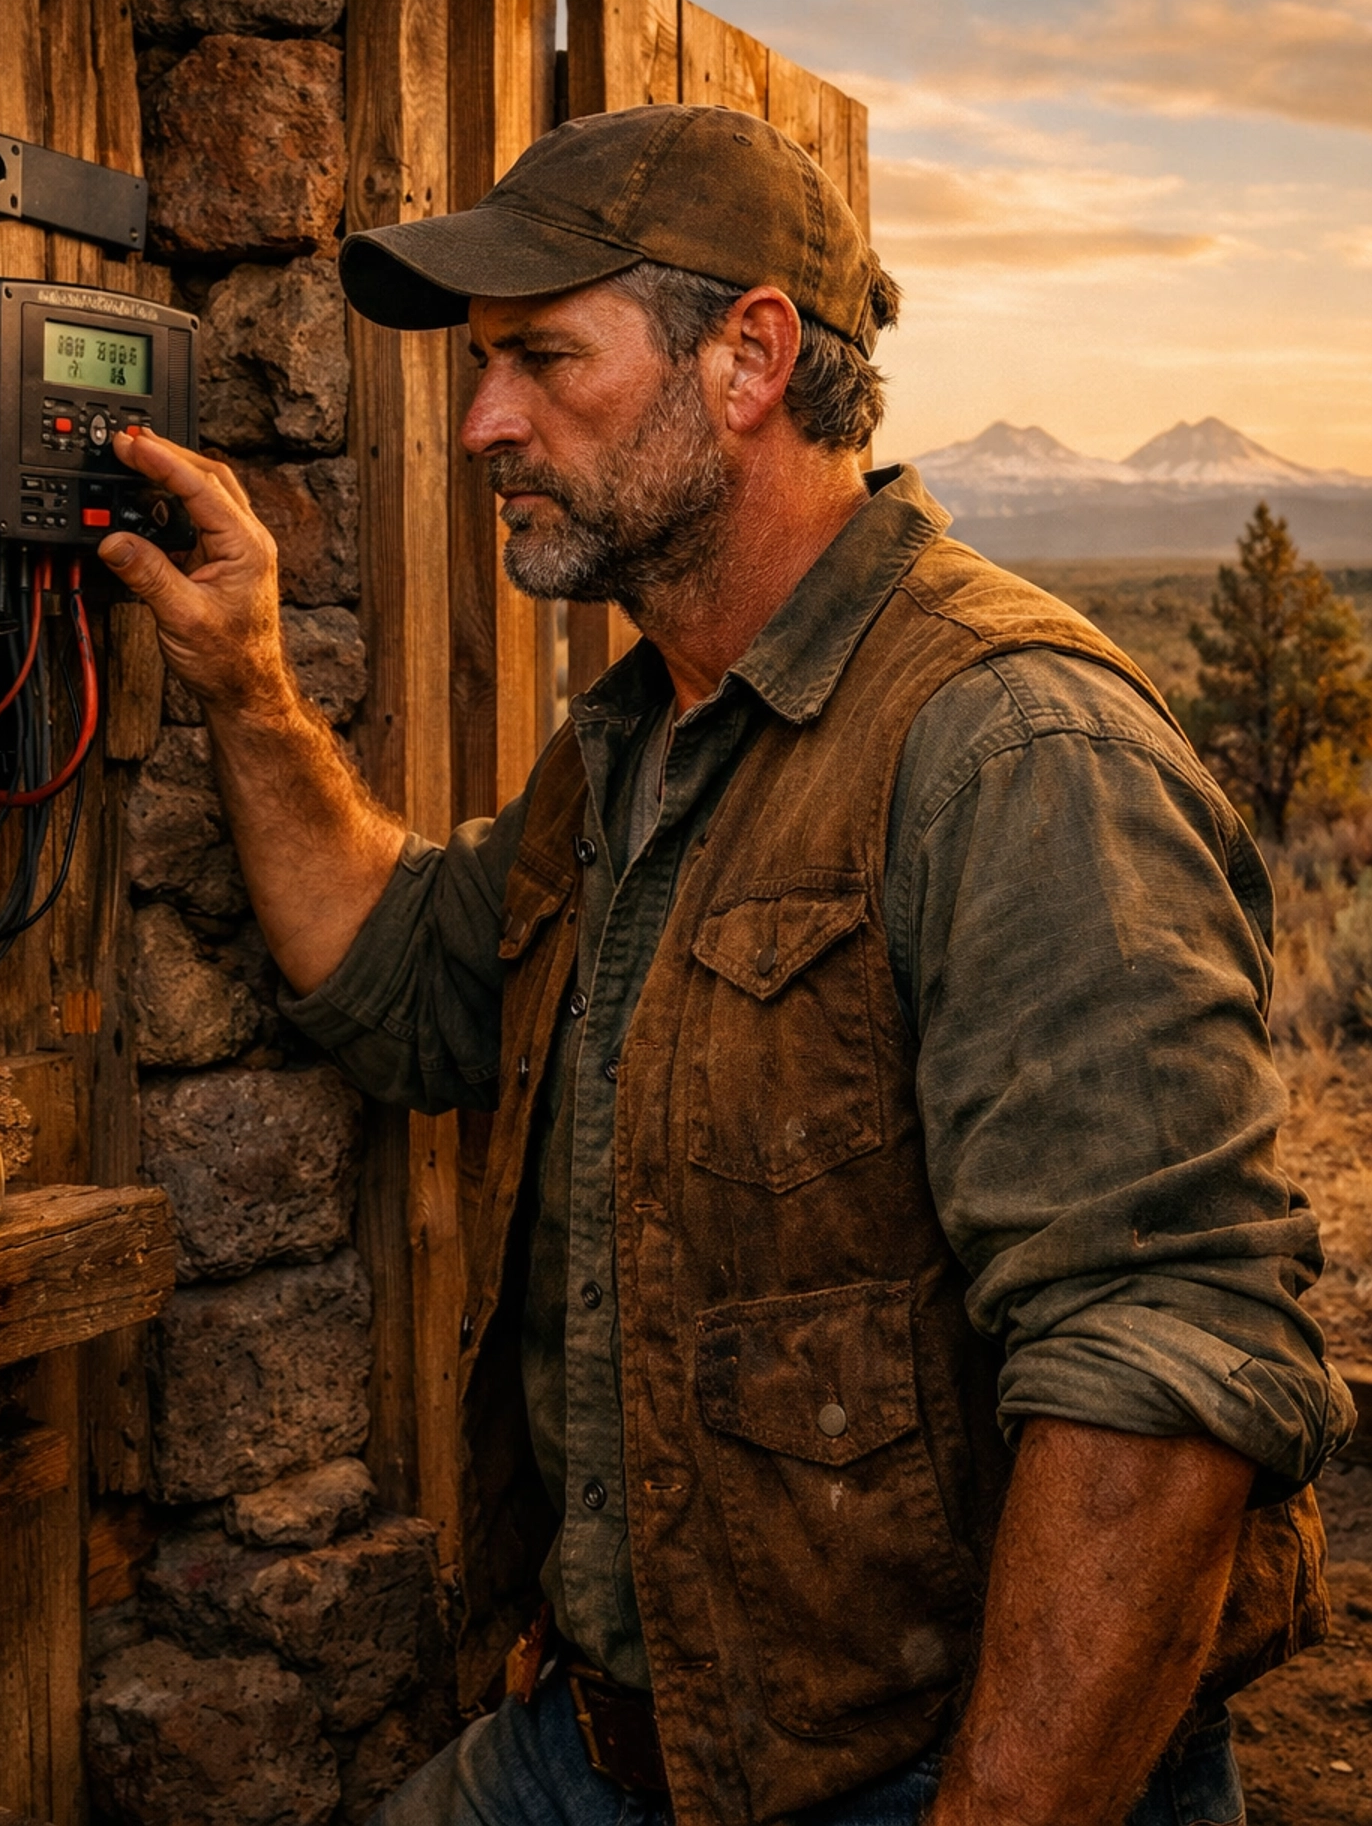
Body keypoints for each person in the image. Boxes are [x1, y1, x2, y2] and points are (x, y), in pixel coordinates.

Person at [100, 106, 1353, 1826]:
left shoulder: (1009, 748)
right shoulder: (636, 746)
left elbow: (1162, 1375)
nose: (483, 423)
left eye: (541, 358)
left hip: (935, 1778)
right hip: (613, 1754)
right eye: (483, 369)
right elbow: (407, 970)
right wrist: (246, 681)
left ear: (751, 358)